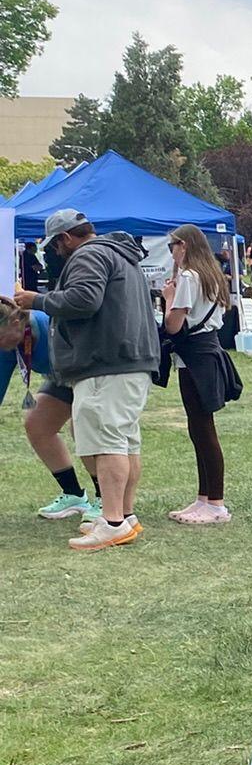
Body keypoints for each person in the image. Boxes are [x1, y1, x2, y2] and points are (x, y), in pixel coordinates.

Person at [10, 208, 158, 550]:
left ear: (65, 238)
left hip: (104, 363)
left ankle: (112, 521)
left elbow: (84, 300)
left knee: (106, 443)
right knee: (123, 441)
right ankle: (125, 515)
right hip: (128, 359)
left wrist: (37, 300)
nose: (53, 252)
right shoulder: (119, 254)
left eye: (55, 244)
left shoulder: (88, 255)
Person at [160, 224, 237, 525]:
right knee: (200, 427)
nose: (172, 253)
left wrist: (168, 297)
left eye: (172, 247)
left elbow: (173, 325)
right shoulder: (211, 274)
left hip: (194, 356)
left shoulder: (190, 277)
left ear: (184, 246)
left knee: (202, 429)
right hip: (207, 352)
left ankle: (215, 501)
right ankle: (205, 497)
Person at [0, 297, 99, 521]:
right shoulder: (7, 346)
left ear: (16, 322)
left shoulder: (48, 322)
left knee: (84, 427)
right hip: (62, 379)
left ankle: (105, 498)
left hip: (91, 372)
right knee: (37, 424)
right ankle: (74, 495)